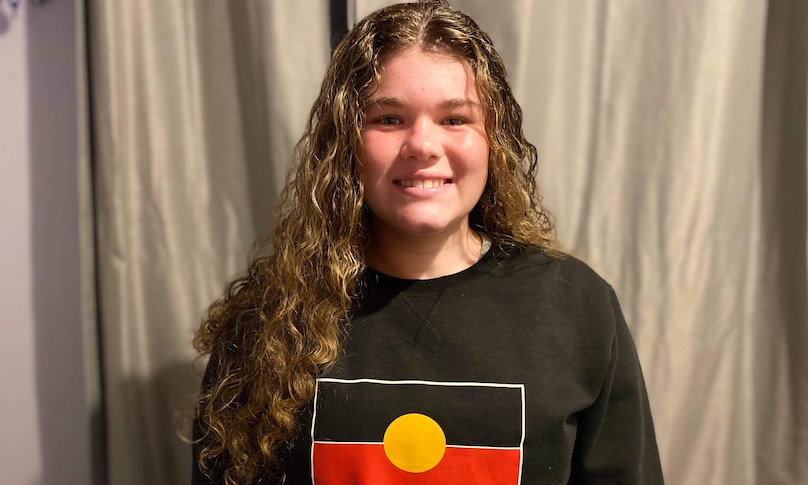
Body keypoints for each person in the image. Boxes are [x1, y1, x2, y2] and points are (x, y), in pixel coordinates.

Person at [191, 1, 663, 484]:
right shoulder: (270, 319)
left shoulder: (577, 306)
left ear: (493, 140)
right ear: (345, 145)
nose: (422, 145)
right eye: (389, 119)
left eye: (455, 119)